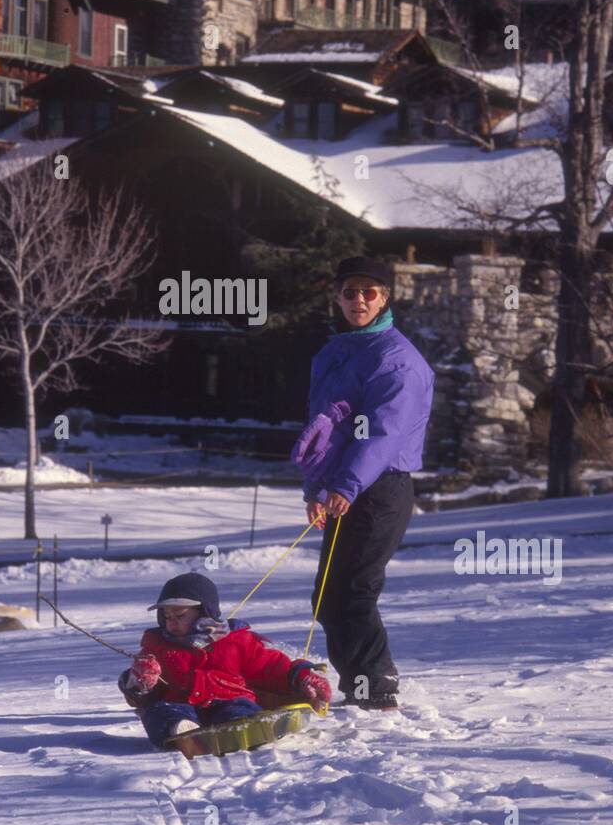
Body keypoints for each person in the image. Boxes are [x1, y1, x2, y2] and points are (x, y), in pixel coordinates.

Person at [292, 255, 434, 711]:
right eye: (350, 292)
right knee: (327, 596)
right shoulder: (338, 351)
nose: (358, 300)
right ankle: (358, 686)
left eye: (369, 292)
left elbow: (383, 434)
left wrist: (346, 486)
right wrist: (316, 486)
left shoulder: (398, 361)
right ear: (338, 296)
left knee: (353, 591)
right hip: (345, 487)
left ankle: (377, 688)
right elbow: (328, 428)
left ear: (385, 297)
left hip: (380, 488)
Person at [118, 571, 331, 748]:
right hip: (179, 705)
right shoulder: (157, 646)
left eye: (180, 615)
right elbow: (146, 696)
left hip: (228, 698)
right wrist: (139, 683)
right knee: (159, 713)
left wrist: (301, 675)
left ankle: (242, 726)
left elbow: (269, 666)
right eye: (166, 616)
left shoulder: (234, 641)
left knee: (240, 708)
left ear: (204, 612)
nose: (171, 623)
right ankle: (180, 730)